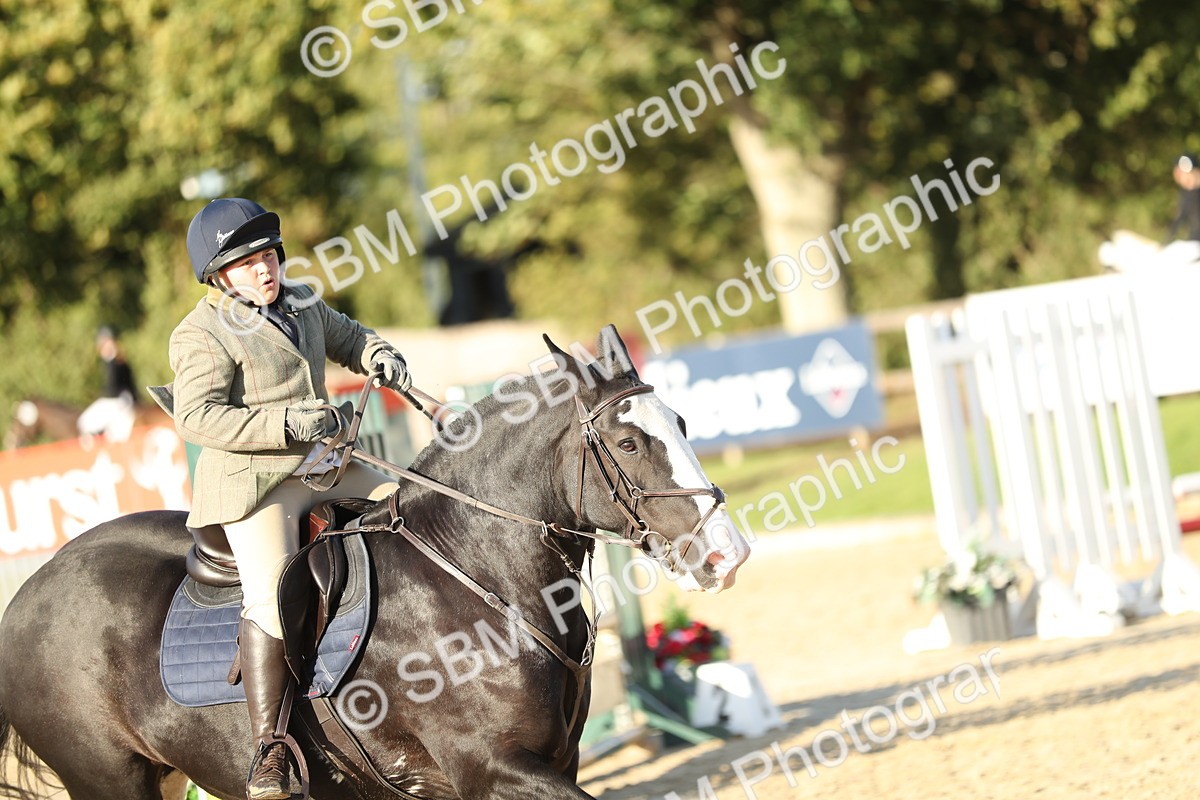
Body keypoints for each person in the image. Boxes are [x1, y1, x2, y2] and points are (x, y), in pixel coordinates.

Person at [149, 198, 411, 800]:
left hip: (324, 466)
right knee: (270, 595)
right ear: (219, 277)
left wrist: (378, 355)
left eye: (268, 256)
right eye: (246, 264)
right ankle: (269, 749)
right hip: (253, 486)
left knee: (413, 505)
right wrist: (290, 420)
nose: (264, 271)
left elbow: (351, 337)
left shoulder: (301, 301)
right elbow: (196, 417)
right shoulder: (201, 331)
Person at [76, 325, 138, 441]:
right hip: (121, 399)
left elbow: (113, 387)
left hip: (118, 400)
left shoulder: (114, 361)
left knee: (84, 422)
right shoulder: (114, 360)